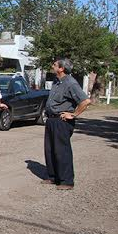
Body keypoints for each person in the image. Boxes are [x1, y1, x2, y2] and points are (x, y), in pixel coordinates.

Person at [42, 57, 91, 190]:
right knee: (50, 149)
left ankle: (66, 181)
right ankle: (53, 177)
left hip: (61, 121)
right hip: (51, 120)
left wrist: (73, 114)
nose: (52, 66)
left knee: (61, 151)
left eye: (55, 65)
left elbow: (85, 101)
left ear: (61, 68)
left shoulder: (71, 83)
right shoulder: (57, 81)